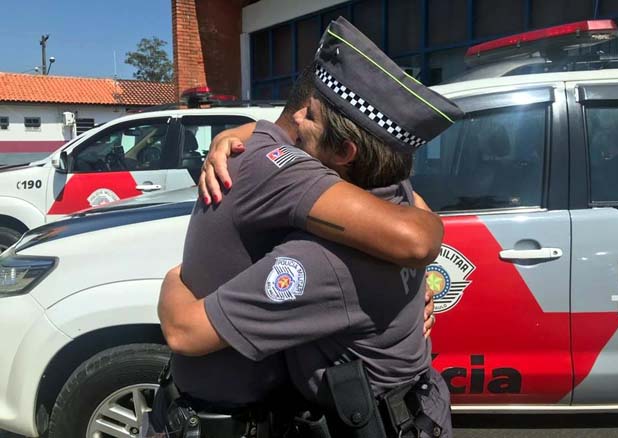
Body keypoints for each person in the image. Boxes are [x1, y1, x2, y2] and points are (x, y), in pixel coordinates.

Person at [155, 17, 463, 437]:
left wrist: (174, 280)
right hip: (419, 412)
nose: (296, 119)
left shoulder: (321, 261)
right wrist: (240, 132)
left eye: (311, 116)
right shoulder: (397, 192)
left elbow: (183, 331)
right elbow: (421, 223)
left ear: (345, 152)